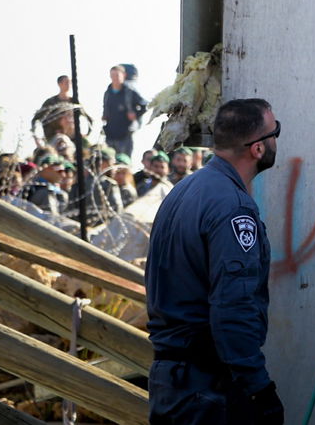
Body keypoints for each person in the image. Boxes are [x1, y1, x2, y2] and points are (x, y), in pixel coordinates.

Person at [145, 98, 283, 425]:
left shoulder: (185, 190)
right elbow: (234, 305)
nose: (278, 137)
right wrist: (256, 387)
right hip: (206, 389)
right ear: (258, 149)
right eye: (275, 131)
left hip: (172, 381)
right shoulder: (233, 207)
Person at [102, 65, 145, 159]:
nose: (115, 78)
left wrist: (135, 114)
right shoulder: (108, 93)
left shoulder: (129, 92)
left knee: (124, 161)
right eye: (112, 75)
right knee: (109, 160)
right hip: (110, 134)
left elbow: (145, 105)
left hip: (125, 135)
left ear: (124, 75)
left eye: (117, 75)